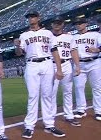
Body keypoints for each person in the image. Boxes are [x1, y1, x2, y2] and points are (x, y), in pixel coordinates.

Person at [14, 10, 65, 139]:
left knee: (47, 95)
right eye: (29, 17)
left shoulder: (48, 33)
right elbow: (20, 53)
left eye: (33, 16)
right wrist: (17, 46)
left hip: (47, 63)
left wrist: (59, 69)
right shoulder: (24, 35)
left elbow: (54, 51)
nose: (31, 19)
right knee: (33, 96)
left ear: (38, 18)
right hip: (31, 64)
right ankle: (29, 126)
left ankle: (49, 124)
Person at [50, 16, 81, 126]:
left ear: (63, 24)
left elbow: (73, 51)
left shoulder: (69, 37)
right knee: (51, 93)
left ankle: (69, 116)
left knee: (68, 91)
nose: (57, 24)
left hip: (67, 64)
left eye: (59, 22)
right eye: (54, 22)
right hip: (51, 65)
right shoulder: (48, 36)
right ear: (51, 24)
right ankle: (50, 118)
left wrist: (77, 65)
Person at [72, 17, 101, 121]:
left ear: (86, 24)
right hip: (79, 63)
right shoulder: (73, 37)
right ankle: (81, 109)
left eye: (80, 23)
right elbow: (72, 50)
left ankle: (99, 111)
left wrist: (98, 49)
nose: (78, 25)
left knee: (97, 87)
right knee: (79, 87)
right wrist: (76, 65)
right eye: (76, 24)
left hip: (94, 62)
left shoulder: (96, 34)